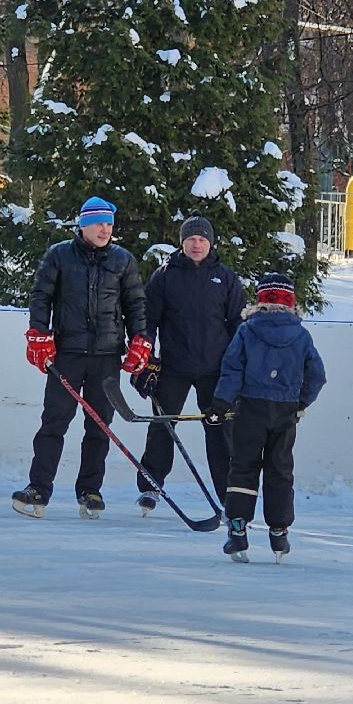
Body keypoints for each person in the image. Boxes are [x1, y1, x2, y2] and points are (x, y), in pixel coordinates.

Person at [13, 195, 151, 520]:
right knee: (54, 423)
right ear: (84, 225)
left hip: (106, 356)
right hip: (67, 354)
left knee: (99, 426)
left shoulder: (123, 260)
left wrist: (141, 341)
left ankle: (90, 490)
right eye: (99, 223)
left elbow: (135, 305)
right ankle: (38, 488)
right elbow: (41, 295)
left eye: (109, 224)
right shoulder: (59, 255)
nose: (105, 229)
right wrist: (38, 333)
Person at [206, 273, 326, 562]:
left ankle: (237, 529)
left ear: (260, 301)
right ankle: (279, 530)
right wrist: (300, 402)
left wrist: (219, 405)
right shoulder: (301, 335)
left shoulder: (247, 331)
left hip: (250, 409)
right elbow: (317, 376)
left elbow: (232, 370)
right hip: (284, 411)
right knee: (280, 469)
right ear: (290, 302)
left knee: (244, 467)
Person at [132, 214, 245, 514]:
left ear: (211, 243)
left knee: (220, 430)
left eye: (202, 239)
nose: (197, 245)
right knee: (162, 425)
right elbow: (149, 320)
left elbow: (237, 324)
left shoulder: (226, 277)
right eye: (191, 239)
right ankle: (151, 486)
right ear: (182, 243)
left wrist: (239, 367)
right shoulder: (165, 275)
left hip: (215, 369)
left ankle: (228, 494)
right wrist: (147, 360)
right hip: (173, 366)